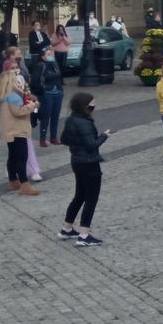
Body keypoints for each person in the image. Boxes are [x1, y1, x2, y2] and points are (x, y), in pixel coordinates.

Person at [57, 92, 109, 246]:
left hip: (77, 162)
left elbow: (64, 139)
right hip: (89, 163)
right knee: (91, 198)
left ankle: (67, 228)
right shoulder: (85, 122)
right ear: (86, 106)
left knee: (79, 195)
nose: (94, 105)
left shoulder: (71, 120)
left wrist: (76, 144)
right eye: (92, 103)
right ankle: (84, 235)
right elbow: (92, 145)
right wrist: (104, 136)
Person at [0, 65, 38, 195]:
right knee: (22, 157)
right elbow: (18, 111)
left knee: (13, 156)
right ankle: (24, 184)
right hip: (17, 129)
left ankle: (13, 180)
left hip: (9, 129)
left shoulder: (3, 91)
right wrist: (33, 106)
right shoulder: (13, 94)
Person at [33, 45, 63, 147]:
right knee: (46, 116)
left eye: (51, 54)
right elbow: (35, 80)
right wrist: (42, 90)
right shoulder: (40, 65)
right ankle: (43, 139)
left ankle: (54, 137)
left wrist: (60, 89)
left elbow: (59, 76)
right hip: (47, 93)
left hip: (57, 92)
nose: (51, 56)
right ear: (43, 56)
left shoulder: (54, 64)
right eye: (48, 54)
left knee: (55, 116)